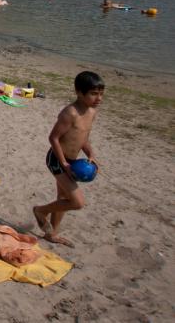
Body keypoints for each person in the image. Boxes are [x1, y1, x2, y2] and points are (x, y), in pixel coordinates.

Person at [33, 71, 103, 247]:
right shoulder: (70, 113)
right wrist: (63, 163)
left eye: (101, 94)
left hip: (73, 160)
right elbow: (53, 138)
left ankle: (52, 234)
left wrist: (91, 155)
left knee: (63, 198)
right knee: (77, 202)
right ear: (79, 92)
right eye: (94, 94)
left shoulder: (92, 112)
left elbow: (83, 137)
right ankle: (40, 211)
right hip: (57, 160)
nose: (98, 98)